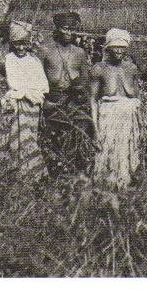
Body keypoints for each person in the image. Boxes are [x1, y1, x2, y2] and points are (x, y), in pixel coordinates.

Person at [0, 21, 50, 181]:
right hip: (14, 109)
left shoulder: (35, 62)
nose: (20, 48)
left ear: (29, 43)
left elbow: (42, 88)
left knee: (29, 143)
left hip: (32, 109)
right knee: (11, 144)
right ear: (12, 43)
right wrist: (1, 101)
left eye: (24, 44)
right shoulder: (7, 61)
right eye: (17, 44)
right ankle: (10, 181)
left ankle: (32, 181)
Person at [36, 12, 92, 174]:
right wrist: (42, 102)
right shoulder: (46, 50)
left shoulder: (79, 53)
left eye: (72, 29)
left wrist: (84, 98)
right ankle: (55, 177)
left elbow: (85, 81)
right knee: (53, 143)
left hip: (74, 102)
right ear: (58, 28)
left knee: (77, 141)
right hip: (52, 101)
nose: (68, 33)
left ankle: (74, 177)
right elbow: (37, 77)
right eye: (65, 29)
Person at [89, 28, 142, 187]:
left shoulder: (131, 68)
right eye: (115, 46)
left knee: (127, 155)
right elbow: (92, 100)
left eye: (123, 47)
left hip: (129, 120)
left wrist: (141, 124)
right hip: (108, 118)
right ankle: (106, 191)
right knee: (108, 155)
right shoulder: (99, 69)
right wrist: (95, 130)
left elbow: (137, 96)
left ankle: (125, 188)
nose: (119, 50)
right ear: (108, 47)